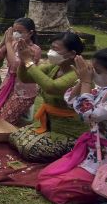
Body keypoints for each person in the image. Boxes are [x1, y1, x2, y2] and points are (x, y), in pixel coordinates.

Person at [36, 48, 107, 204]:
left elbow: (88, 113)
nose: (93, 74)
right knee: (46, 175)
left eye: (97, 71)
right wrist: (82, 81)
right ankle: (105, 192)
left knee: (53, 188)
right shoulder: (106, 90)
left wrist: (86, 82)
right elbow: (71, 99)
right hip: (93, 152)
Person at [9, 32, 89, 162]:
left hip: (69, 133)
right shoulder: (55, 67)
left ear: (72, 54)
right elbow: (25, 78)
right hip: (47, 125)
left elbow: (51, 87)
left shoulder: (77, 75)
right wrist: (24, 62)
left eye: (56, 49)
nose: (51, 52)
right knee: (14, 137)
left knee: (30, 149)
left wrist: (29, 62)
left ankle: (73, 148)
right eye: (51, 47)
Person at [0, 18, 42, 125]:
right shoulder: (12, 44)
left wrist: (8, 44)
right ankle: (19, 118)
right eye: (14, 31)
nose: (16, 34)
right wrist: (2, 43)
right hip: (7, 87)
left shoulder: (34, 50)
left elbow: (15, 67)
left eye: (20, 32)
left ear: (30, 33)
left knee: (1, 122)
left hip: (23, 93)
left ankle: (21, 118)